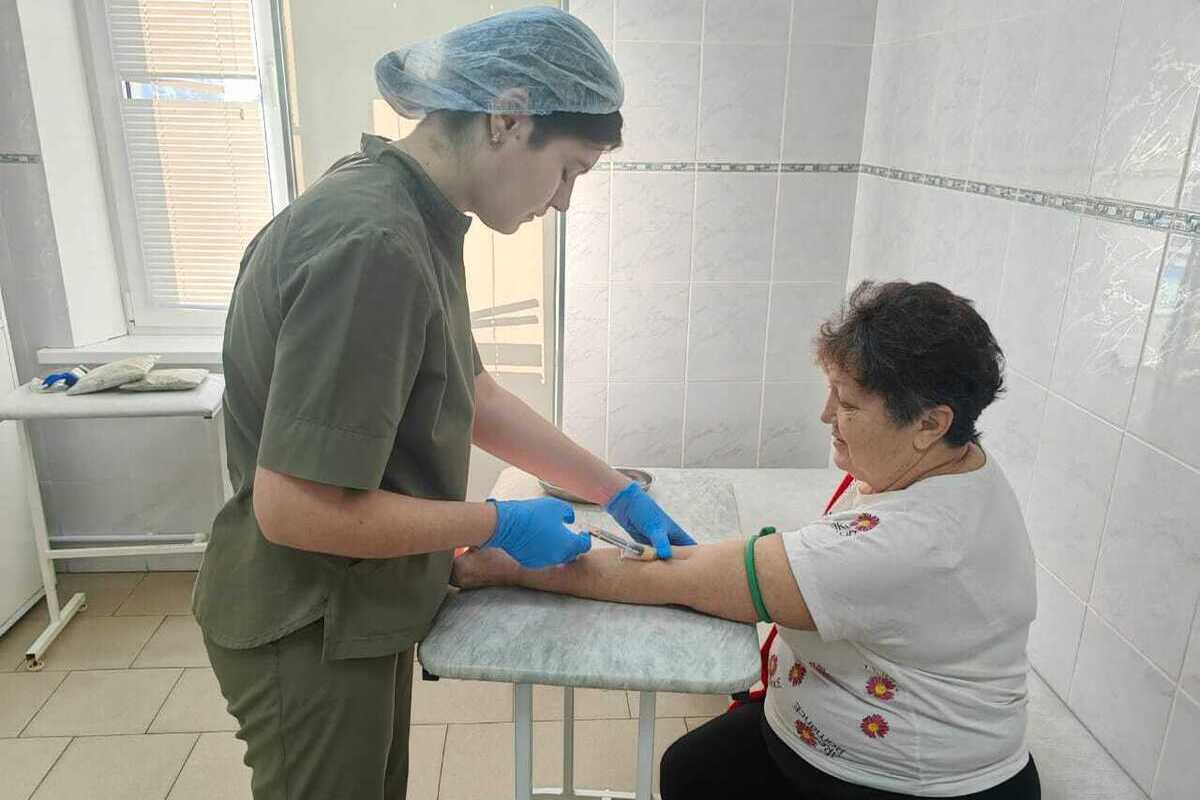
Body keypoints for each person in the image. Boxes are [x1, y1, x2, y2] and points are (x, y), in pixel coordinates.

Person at [192, 8, 693, 799]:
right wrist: (493, 523)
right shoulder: (375, 242)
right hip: (310, 617)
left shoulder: (410, 213)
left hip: (355, 600)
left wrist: (613, 489)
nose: (564, 200)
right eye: (569, 170)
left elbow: (474, 393)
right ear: (507, 118)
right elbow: (292, 508)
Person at [454, 281, 1042, 799]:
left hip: (906, 783)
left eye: (848, 403)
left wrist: (506, 565)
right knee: (692, 768)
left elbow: (668, 579)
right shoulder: (957, 464)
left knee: (695, 772)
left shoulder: (909, 546)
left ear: (930, 423)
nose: (825, 415)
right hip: (838, 733)